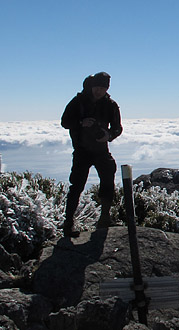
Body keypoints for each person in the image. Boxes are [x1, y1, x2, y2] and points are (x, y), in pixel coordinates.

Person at [60, 72, 123, 237]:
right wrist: (81, 123)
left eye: (103, 88)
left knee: (108, 179)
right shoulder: (78, 102)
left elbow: (118, 128)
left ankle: (104, 218)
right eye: (97, 87)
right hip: (82, 151)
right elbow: (64, 122)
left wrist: (108, 135)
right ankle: (68, 224)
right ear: (91, 85)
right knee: (77, 186)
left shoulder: (111, 105)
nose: (99, 91)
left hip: (101, 150)